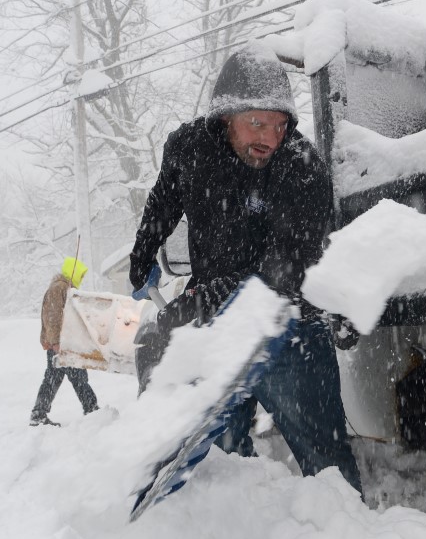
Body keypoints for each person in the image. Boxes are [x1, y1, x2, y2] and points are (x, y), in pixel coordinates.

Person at [128, 44, 363, 494]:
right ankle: (233, 528)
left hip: (288, 324)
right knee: (224, 463)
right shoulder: (189, 149)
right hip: (215, 328)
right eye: (256, 122)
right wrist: (142, 257)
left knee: (327, 462)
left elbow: (292, 261)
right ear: (224, 117)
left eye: (279, 125)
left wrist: (217, 294)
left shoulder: (302, 166)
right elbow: (163, 200)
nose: (270, 138)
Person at [30, 256, 99, 426]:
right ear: (72, 272)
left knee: (54, 378)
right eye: (80, 275)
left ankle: (39, 414)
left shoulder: (65, 288)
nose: (81, 279)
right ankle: (92, 410)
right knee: (78, 377)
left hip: (64, 342)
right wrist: (56, 343)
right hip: (61, 344)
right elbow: (52, 316)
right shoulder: (58, 288)